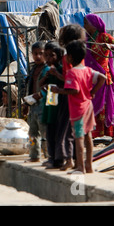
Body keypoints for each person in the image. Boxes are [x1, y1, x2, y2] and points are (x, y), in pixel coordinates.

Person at [51, 40, 106, 173]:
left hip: (78, 109)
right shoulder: (87, 70)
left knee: (79, 138)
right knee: (88, 136)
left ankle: (80, 166)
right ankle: (89, 165)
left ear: (69, 57)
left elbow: (74, 90)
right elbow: (103, 77)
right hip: (89, 107)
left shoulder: (72, 73)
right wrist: (92, 92)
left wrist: (58, 90)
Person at [83, 14, 114, 140]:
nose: (84, 26)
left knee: (106, 106)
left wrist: (110, 46)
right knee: (89, 105)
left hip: (103, 78)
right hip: (88, 78)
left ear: (94, 24)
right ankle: (90, 134)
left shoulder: (104, 37)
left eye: (86, 23)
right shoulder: (85, 39)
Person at [55, 23, 87, 171]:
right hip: (84, 100)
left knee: (66, 131)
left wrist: (56, 78)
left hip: (70, 100)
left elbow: (69, 81)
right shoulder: (82, 58)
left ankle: (68, 160)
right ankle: (83, 162)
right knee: (81, 133)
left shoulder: (68, 58)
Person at [39, 41, 64, 169]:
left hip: (59, 105)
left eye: (51, 56)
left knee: (58, 131)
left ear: (59, 55)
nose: (48, 59)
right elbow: (40, 84)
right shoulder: (48, 70)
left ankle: (59, 159)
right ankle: (51, 157)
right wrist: (45, 81)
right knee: (50, 131)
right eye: (46, 56)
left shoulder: (61, 69)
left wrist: (57, 75)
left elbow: (67, 82)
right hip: (50, 103)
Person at [25, 41, 50, 163]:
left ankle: (49, 157)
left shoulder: (48, 70)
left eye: (41, 53)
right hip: (33, 105)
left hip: (44, 105)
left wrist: (38, 96)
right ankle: (34, 155)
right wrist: (26, 103)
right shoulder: (33, 69)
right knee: (32, 133)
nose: (38, 56)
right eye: (35, 54)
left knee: (45, 133)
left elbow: (49, 87)